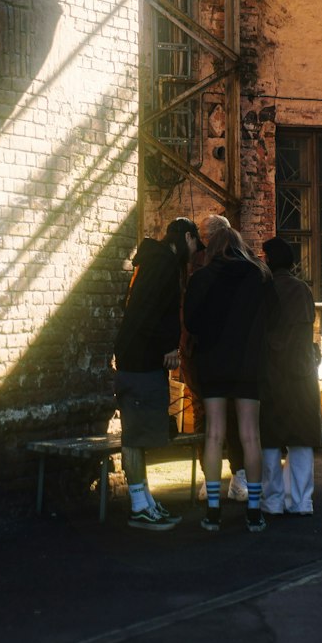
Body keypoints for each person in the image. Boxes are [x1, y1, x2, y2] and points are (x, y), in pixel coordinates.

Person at [183, 223, 279, 533]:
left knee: (214, 434)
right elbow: (274, 319)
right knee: (250, 435)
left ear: (212, 250)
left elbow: (191, 322)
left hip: (212, 363)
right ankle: (254, 510)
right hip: (248, 364)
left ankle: (213, 509)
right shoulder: (260, 276)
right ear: (240, 247)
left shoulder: (201, 278)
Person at [115, 217, 201, 530]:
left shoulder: (155, 262)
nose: (194, 254)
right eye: (195, 245)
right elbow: (147, 311)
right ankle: (139, 505)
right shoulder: (162, 265)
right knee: (136, 436)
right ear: (187, 237)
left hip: (138, 363)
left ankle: (145, 500)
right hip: (140, 364)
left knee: (140, 433)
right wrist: (167, 346)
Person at [259, 236, 322, 516]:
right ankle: (300, 501)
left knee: (270, 439)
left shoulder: (263, 290)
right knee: (301, 438)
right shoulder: (302, 290)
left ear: (269, 261)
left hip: (271, 372)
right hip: (301, 372)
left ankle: (272, 500)